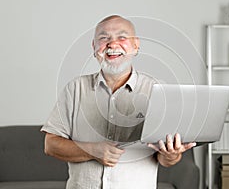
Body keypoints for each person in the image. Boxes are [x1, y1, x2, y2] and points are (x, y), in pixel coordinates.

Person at [41, 15, 196, 189]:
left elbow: (166, 159)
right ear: (94, 48)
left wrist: (171, 154)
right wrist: (92, 150)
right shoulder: (74, 89)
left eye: (122, 37)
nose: (112, 45)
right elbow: (51, 145)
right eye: (103, 38)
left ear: (135, 46)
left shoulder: (158, 90)